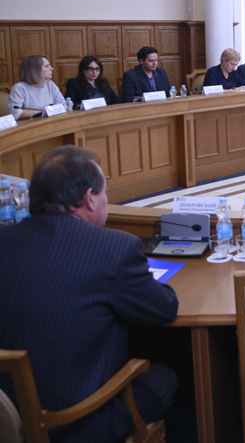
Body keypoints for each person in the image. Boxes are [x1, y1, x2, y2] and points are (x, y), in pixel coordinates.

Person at [0, 146, 179, 443]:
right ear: (89, 198)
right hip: (75, 424)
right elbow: (164, 308)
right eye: (105, 192)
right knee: (165, 376)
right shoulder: (114, 248)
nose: (107, 200)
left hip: (6, 421)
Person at [7, 55, 65, 120]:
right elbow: (15, 113)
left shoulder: (50, 84)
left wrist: (37, 111)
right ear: (35, 70)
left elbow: (63, 105)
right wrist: (44, 111)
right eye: (47, 66)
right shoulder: (19, 88)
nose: (52, 68)